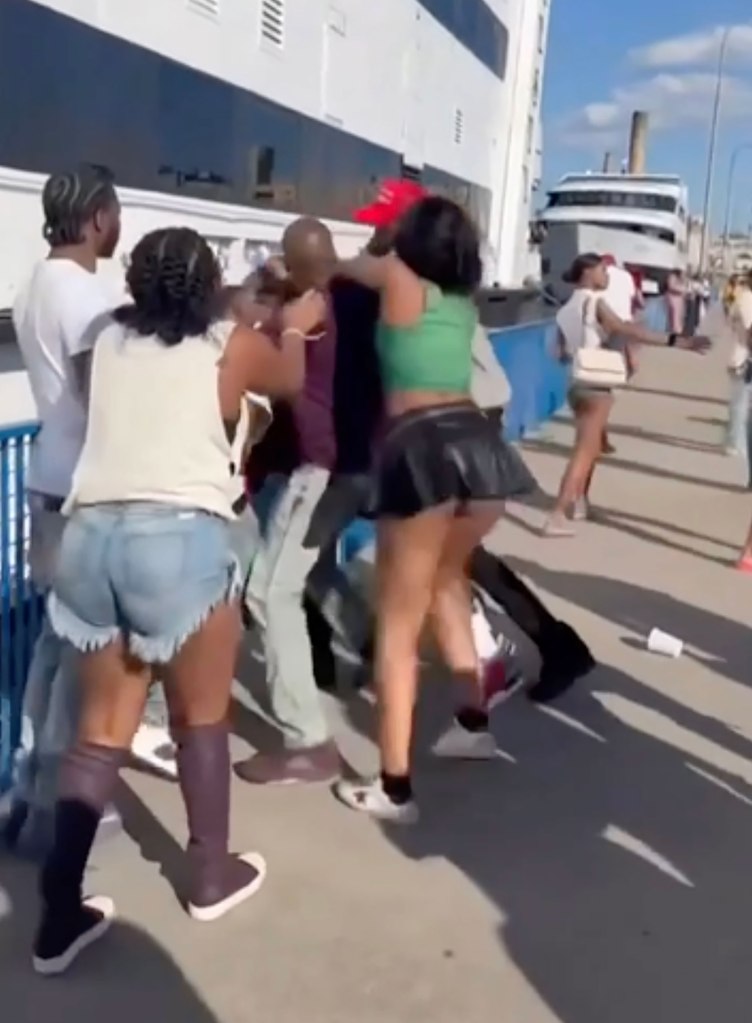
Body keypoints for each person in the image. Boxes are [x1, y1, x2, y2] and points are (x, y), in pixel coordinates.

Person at [33, 226, 325, 976]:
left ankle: (58, 913)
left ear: (135, 280)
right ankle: (209, 873)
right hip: (182, 541)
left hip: (90, 538)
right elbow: (289, 377)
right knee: (202, 722)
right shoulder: (229, 344)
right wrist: (288, 327)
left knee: (97, 735)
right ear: (206, 286)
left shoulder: (102, 345)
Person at [332, 196, 537, 823]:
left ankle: (394, 788)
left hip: (420, 449)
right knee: (449, 579)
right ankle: (472, 723)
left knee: (398, 624)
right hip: (479, 448)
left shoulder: (397, 277)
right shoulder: (459, 301)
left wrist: (376, 245)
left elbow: (343, 266)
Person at [2, 166, 173, 862]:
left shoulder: (34, 283)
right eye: (119, 211)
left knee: (52, 645)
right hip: (88, 491)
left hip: (47, 479)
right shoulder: (84, 297)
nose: (121, 225)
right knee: (87, 658)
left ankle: (24, 787)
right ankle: (54, 813)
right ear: (99, 216)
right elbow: (102, 395)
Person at [234, 217, 344, 786]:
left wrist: (274, 300)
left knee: (269, 591)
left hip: (313, 468)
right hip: (330, 467)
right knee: (301, 581)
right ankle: (365, 653)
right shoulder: (339, 302)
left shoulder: (304, 319)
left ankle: (308, 741)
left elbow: (249, 326)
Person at [544, 253, 710, 537]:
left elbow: (559, 354)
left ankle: (579, 503)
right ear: (587, 273)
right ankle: (557, 514)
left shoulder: (566, 307)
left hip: (576, 383)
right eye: (601, 270)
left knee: (591, 447)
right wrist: (678, 341)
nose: (606, 275)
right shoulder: (595, 302)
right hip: (597, 387)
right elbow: (627, 329)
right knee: (584, 452)